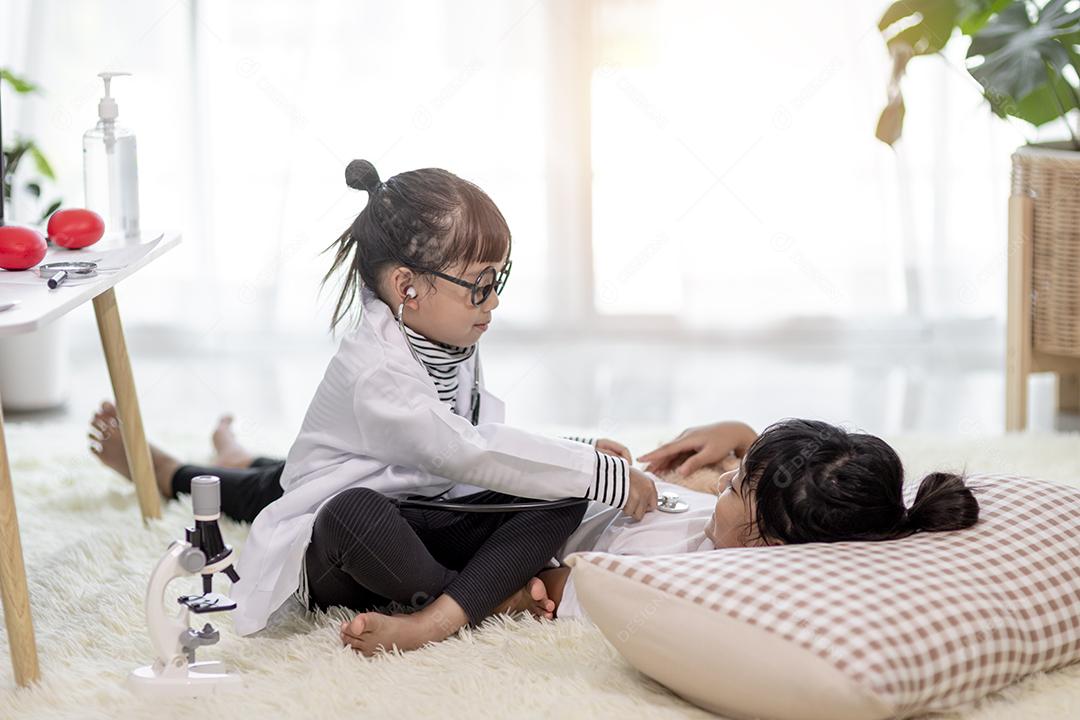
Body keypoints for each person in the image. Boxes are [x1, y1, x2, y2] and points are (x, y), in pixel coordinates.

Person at [92, 159, 662, 656]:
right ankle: (467, 603)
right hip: (360, 524)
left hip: (421, 499)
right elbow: (462, 452)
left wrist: (579, 459)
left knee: (561, 493)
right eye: (480, 285)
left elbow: (484, 436)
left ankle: (448, 603)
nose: (494, 300)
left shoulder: (452, 331)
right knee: (347, 510)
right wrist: (595, 469)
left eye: (499, 279)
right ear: (407, 287)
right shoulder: (377, 372)